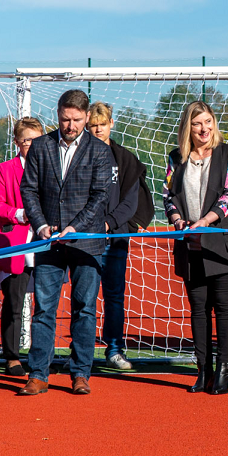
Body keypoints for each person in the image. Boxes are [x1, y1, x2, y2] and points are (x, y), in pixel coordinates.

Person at [18, 89, 116, 396]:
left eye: (75, 120)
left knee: (84, 309)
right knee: (44, 309)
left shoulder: (99, 151)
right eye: (64, 119)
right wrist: (41, 224)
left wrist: (76, 227)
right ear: (57, 115)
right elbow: (29, 190)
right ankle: (38, 374)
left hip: (85, 244)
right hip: (48, 243)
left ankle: (80, 373)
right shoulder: (41, 147)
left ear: (87, 117)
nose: (69, 125)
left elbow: (100, 196)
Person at [164, 100, 228, 394]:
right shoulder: (177, 158)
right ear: (189, 127)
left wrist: (206, 220)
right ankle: (203, 370)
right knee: (198, 309)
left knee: (224, 307)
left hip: (223, 244)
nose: (204, 129)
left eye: (208, 122)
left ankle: (224, 370)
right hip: (191, 245)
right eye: (197, 123)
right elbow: (168, 196)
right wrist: (177, 219)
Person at [88, 102, 154, 372]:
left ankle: (114, 350)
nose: (98, 128)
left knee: (114, 296)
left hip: (115, 239)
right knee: (85, 297)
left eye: (102, 123)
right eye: (93, 124)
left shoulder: (124, 158)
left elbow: (130, 202)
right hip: (84, 239)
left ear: (111, 124)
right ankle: (80, 350)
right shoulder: (78, 156)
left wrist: (108, 223)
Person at [0, 117, 44, 376]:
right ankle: (12, 357)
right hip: (15, 243)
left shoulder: (50, 167)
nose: (32, 145)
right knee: (14, 302)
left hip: (45, 242)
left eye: (37, 140)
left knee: (46, 304)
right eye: (26, 141)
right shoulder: (6, 169)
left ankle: (42, 356)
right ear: (17, 143)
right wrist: (20, 214)